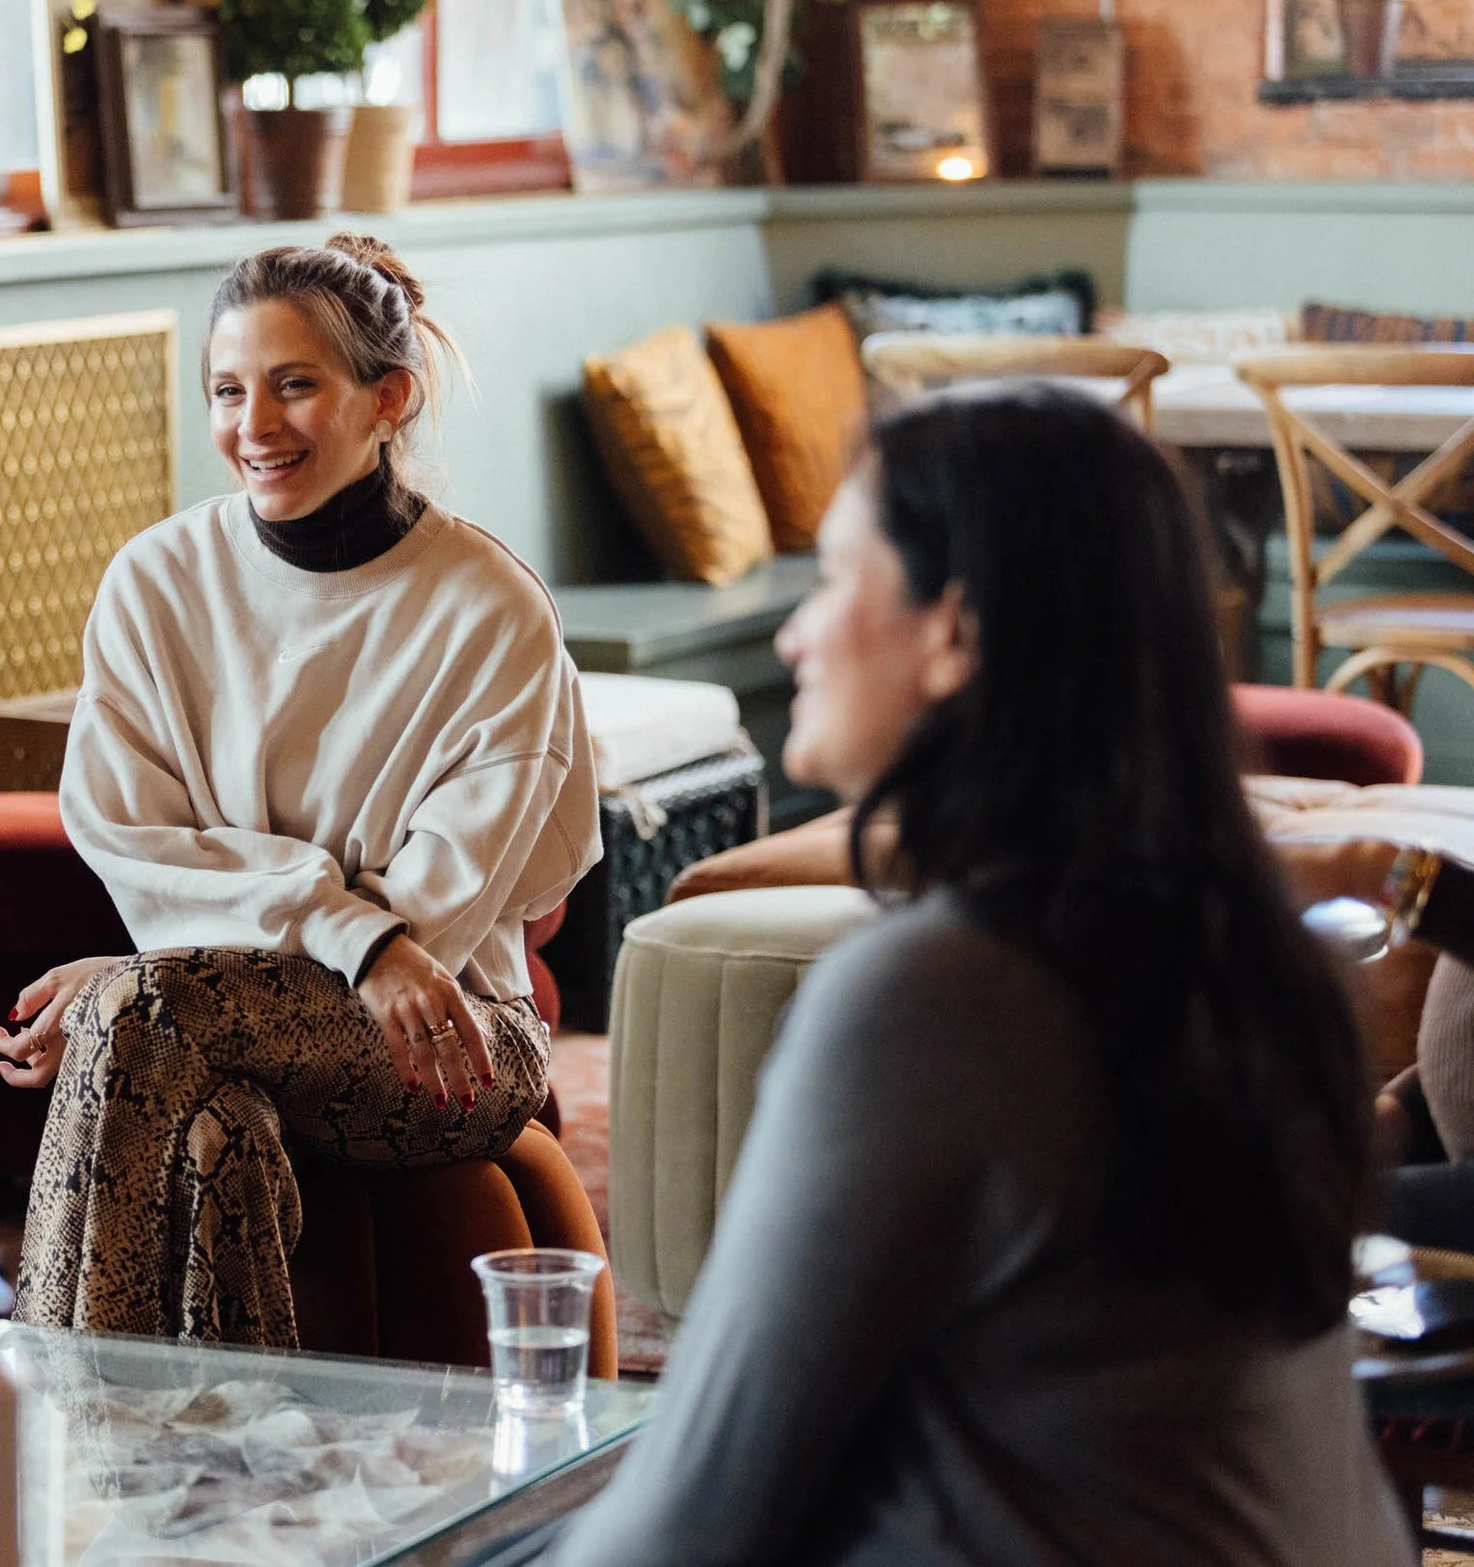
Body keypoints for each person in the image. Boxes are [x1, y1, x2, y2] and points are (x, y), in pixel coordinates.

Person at [546, 390, 1409, 1565]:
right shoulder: (1252, 953)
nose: (794, 636)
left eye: (834, 580)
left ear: (953, 634)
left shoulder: (938, 996)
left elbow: (694, 1518)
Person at [0, 234, 601, 1345]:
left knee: (138, 1015)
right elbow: (131, 837)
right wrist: (288, 942)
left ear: (388, 399)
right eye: (228, 391)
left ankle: (52, 1428)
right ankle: (236, 1470)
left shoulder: (490, 607)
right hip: (212, 1012)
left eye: (294, 387)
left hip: (454, 1032)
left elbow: (437, 924)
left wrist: (161, 974)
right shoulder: (155, 582)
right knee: (210, 1133)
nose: (255, 427)